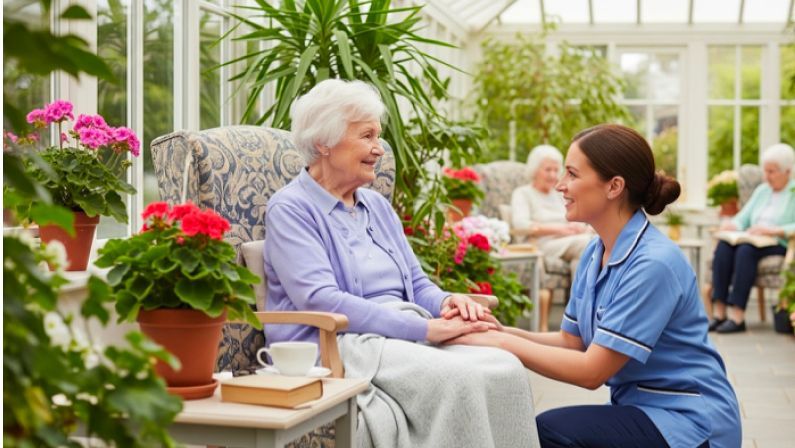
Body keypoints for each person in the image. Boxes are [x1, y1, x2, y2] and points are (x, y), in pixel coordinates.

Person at [263, 79, 538, 447]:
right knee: (459, 380)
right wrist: (423, 330)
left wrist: (446, 302)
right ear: (323, 142)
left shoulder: (375, 205)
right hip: (340, 342)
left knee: (506, 369)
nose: (379, 149)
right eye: (367, 136)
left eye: (378, 137)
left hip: (399, 331)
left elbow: (416, 282)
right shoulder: (292, 208)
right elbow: (320, 300)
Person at [448, 124, 741, 448]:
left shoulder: (653, 264)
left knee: (550, 431)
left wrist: (498, 344)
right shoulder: (595, 251)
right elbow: (571, 342)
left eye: (572, 174)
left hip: (690, 421)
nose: (560, 185)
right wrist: (497, 331)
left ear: (614, 186)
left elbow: (591, 372)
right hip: (642, 408)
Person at [709, 143, 795, 333]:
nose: (767, 176)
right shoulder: (763, 190)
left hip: (778, 242)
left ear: (787, 171)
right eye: (766, 171)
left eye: (772, 172)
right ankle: (719, 313)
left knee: (745, 251)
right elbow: (743, 217)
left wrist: (775, 230)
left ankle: (738, 316)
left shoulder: (793, 192)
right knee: (724, 246)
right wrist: (734, 225)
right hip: (753, 239)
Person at [510, 144, 592, 275]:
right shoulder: (523, 193)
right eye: (548, 170)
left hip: (568, 241)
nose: (553, 175)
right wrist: (561, 229)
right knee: (589, 244)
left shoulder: (558, 194)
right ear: (535, 170)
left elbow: (572, 216)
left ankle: (583, 295)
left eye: (556, 170)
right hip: (541, 244)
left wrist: (579, 227)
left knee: (586, 252)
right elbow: (521, 224)